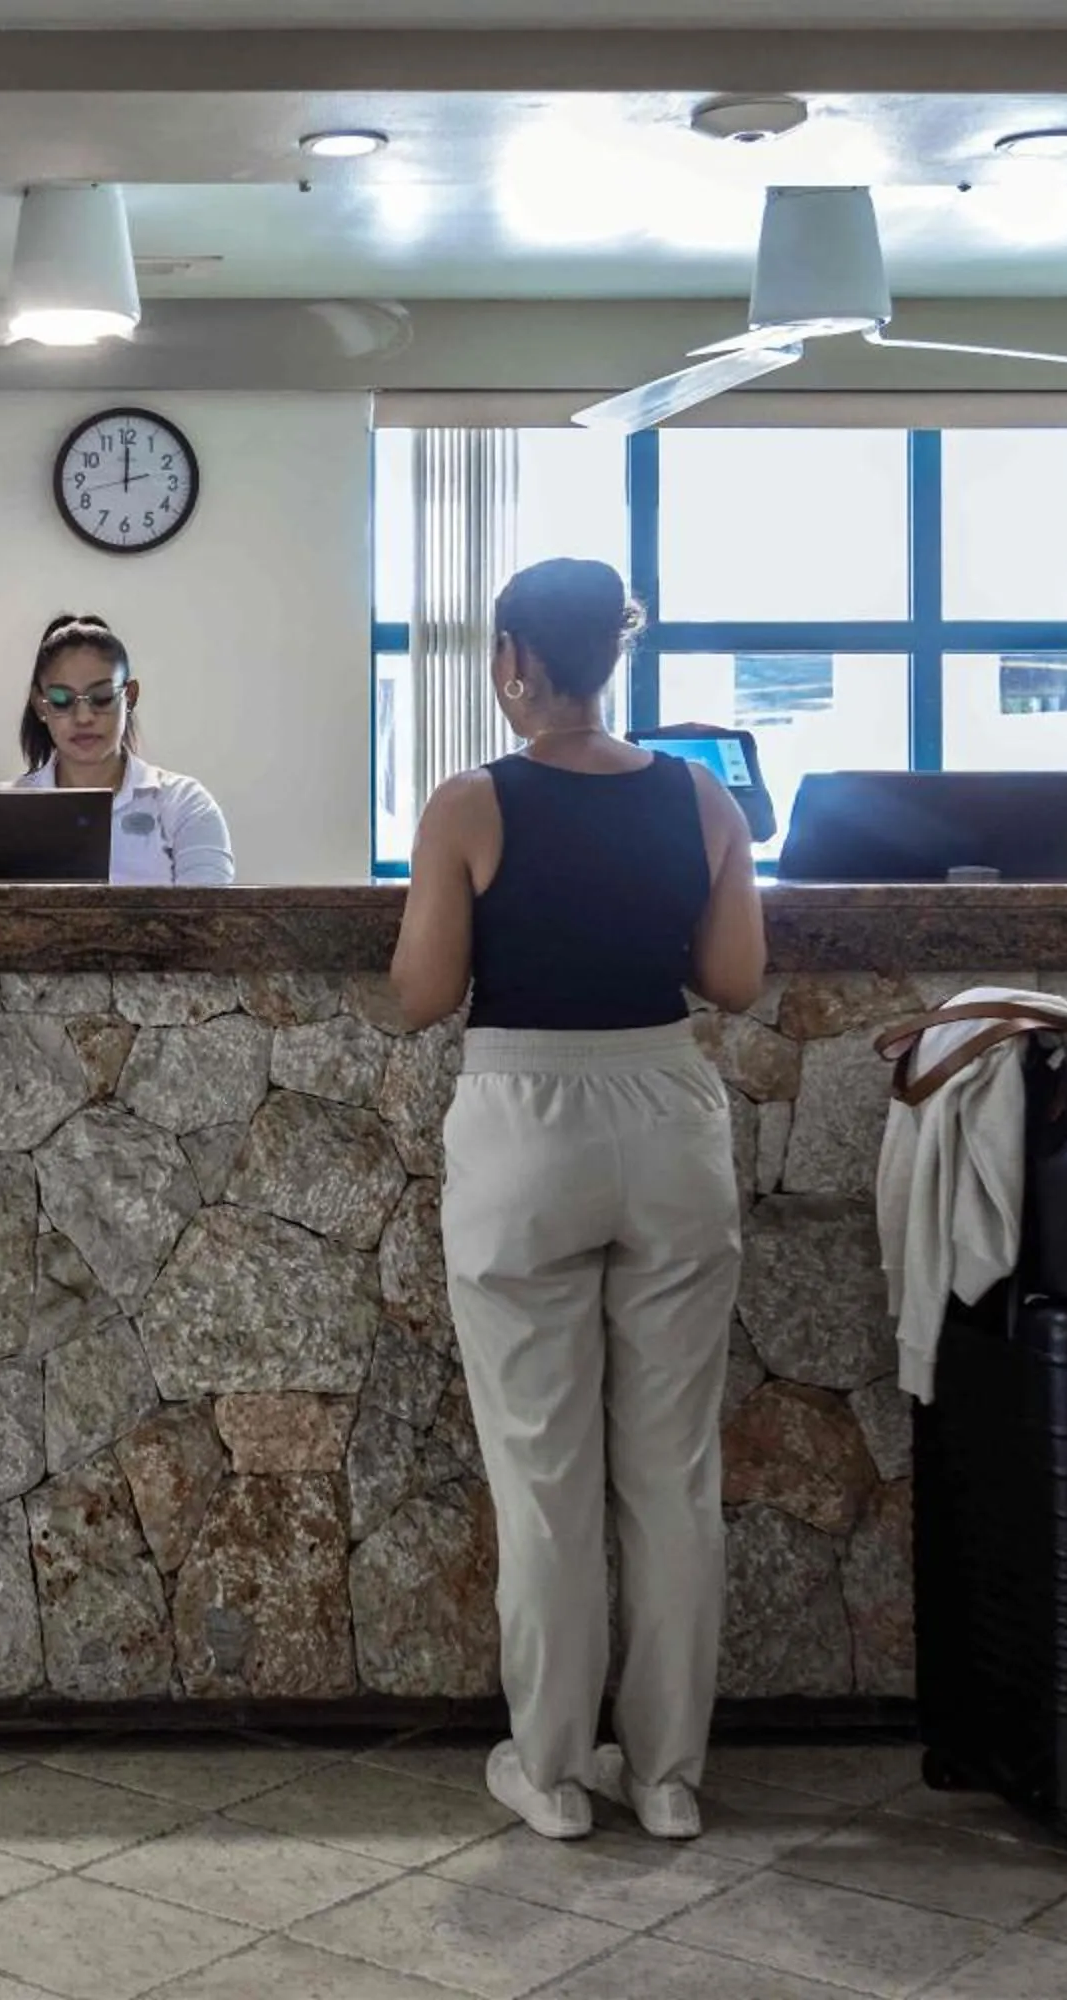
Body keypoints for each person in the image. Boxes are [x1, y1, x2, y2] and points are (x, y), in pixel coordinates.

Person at [388, 557, 766, 1845]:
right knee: (673, 1473)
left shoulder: (470, 803)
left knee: (544, 1474)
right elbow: (736, 979)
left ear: (510, 658)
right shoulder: (705, 797)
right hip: (667, 1110)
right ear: (616, 654)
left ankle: (550, 1767)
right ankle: (666, 1774)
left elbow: (425, 993)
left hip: (524, 1120)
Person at [1, 613, 234, 886]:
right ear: (41, 705)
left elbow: (212, 918)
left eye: (102, 697)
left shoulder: (184, 804)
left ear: (130, 696)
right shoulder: (6, 811)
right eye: (62, 699)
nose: (84, 717)